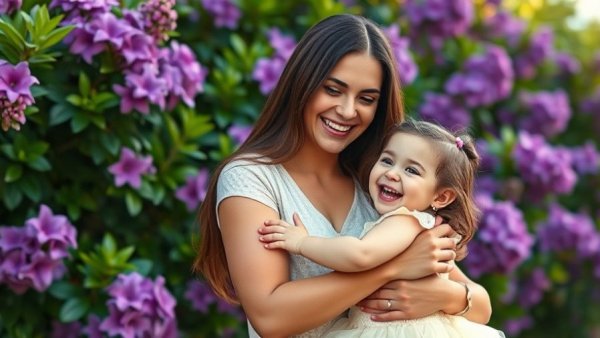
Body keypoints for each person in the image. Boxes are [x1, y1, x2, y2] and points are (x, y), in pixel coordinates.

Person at [194, 14, 493, 337]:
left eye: (366, 99)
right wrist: (393, 268)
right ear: (302, 83)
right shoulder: (251, 179)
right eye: (333, 90)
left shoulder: (379, 183)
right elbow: (270, 317)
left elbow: (481, 305)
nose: (348, 111)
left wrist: (445, 295)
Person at [259, 119, 505, 337]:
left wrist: (302, 243)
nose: (392, 173)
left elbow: (359, 255)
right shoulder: (423, 231)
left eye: (411, 170)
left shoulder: (405, 220)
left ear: (441, 198)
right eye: (387, 160)